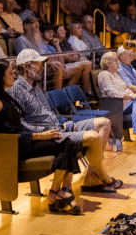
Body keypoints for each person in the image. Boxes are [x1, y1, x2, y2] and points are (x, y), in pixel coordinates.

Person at [7, 49, 121, 193]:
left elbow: (48, 113)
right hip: (46, 135)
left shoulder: (37, 86)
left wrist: (62, 122)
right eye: (38, 64)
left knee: (104, 123)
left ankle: (92, 177)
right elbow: (20, 122)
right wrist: (44, 132)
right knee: (94, 137)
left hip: (59, 126)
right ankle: (104, 177)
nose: (42, 67)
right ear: (26, 66)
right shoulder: (15, 90)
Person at [0, 60, 84, 214]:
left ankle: (57, 190)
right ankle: (59, 191)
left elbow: (19, 124)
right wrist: (40, 136)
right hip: (14, 147)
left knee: (68, 142)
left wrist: (43, 133)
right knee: (67, 143)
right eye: (10, 73)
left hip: (24, 140)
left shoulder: (5, 96)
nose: (14, 76)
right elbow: (7, 133)